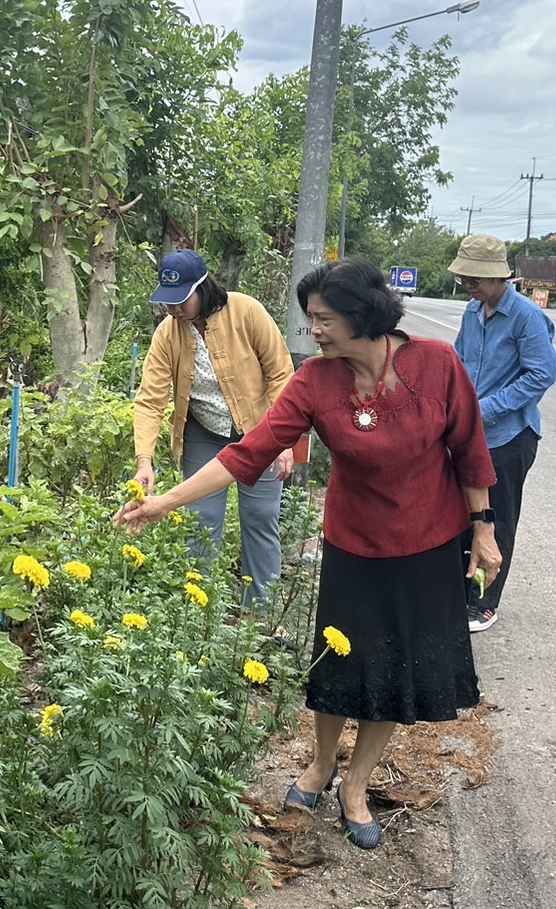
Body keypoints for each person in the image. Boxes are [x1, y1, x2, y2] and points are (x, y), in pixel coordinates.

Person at [116, 258, 501, 850]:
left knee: (397, 671)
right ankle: (321, 766)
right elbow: (247, 452)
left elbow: (470, 450)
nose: (313, 330)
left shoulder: (437, 364)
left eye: (322, 319)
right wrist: (163, 503)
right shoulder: (316, 382)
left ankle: (356, 786)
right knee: (341, 668)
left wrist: (483, 527)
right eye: (310, 319)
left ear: (360, 314)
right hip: (355, 544)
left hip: (426, 545)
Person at [132, 250, 295, 605]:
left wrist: (284, 440)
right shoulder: (167, 334)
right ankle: (198, 610)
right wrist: (145, 458)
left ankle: (260, 611)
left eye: (181, 301)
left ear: (203, 288)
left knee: (260, 516)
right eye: (168, 302)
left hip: (260, 430)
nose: (174, 310)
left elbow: (281, 373)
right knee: (200, 519)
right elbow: (150, 398)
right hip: (204, 431)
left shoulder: (246, 311)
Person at [449, 235, 556, 633]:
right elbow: (459, 362)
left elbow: (541, 375)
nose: (469, 287)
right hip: (470, 433)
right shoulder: (472, 312)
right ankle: (459, 593)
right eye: (465, 280)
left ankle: (484, 603)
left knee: (497, 519)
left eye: (474, 280)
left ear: (497, 278)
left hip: (509, 436)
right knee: (464, 515)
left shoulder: (527, 317)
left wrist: (485, 409)